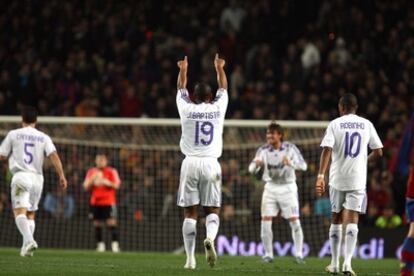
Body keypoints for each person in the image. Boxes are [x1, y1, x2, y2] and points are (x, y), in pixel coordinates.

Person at [315, 93, 383, 275]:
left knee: (336, 218)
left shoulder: (335, 124)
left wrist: (321, 175)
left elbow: (327, 150)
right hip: (357, 179)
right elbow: (379, 151)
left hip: (337, 179)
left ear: (341, 107)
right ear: (356, 108)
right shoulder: (366, 124)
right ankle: (348, 265)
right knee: (352, 220)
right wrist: (364, 161)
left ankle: (334, 264)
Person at [176, 54, 228, 269]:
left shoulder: (186, 108)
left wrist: (183, 70)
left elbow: (180, 88)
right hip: (211, 163)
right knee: (213, 210)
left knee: (190, 212)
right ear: (210, 97)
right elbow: (223, 88)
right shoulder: (217, 108)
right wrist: (219, 68)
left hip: (190, 163)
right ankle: (210, 238)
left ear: (194, 97)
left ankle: (190, 259)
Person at [0, 106, 67, 257]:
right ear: (36, 121)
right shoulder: (43, 137)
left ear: (21, 119)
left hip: (21, 176)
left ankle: (29, 240)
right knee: (30, 213)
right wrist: (61, 175)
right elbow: (54, 155)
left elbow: (2, 155)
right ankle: (26, 247)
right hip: (38, 179)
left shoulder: (14, 134)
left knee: (19, 212)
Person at [248, 121, 307, 264]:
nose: (269, 136)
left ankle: (299, 254)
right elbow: (251, 169)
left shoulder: (290, 149)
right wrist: (256, 165)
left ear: (280, 135)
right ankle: (268, 255)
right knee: (266, 221)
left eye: (272, 133)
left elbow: (304, 166)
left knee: (294, 221)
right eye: (268, 133)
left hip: (288, 188)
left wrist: (291, 163)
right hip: (270, 188)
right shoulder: (263, 150)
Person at [83, 153, 121, 252]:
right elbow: (85, 186)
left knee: (111, 222)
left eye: (102, 160)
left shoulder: (111, 171)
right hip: (95, 202)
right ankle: (100, 245)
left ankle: (115, 245)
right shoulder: (91, 172)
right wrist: (93, 179)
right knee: (97, 223)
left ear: (106, 161)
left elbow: (117, 185)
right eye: (98, 160)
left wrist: (105, 182)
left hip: (108, 202)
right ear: (96, 161)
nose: (100, 162)